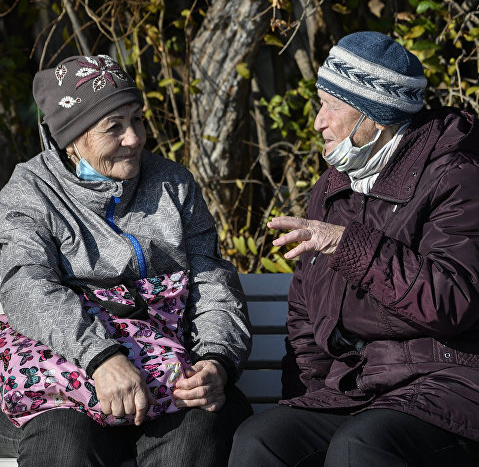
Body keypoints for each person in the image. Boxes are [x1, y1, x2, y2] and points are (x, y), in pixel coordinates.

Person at [228, 31, 479, 467]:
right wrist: (307, 398)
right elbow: (306, 317)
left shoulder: (458, 175)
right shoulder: (332, 188)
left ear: (374, 118)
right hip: (359, 388)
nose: (318, 122)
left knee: (361, 445)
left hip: (447, 384)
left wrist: (347, 244)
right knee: (262, 441)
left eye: (330, 107)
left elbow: (450, 299)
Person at [0, 54, 252, 467]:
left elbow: (211, 281)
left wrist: (216, 361)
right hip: (69, 376)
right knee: (64, 446)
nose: (134, 138)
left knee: (198, 430)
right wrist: (102, 358)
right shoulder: (31, 191)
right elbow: (26, 285)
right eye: (113, 127)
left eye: (137, 119)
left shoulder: (173, 184)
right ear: (71, 138)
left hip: (171, 371)